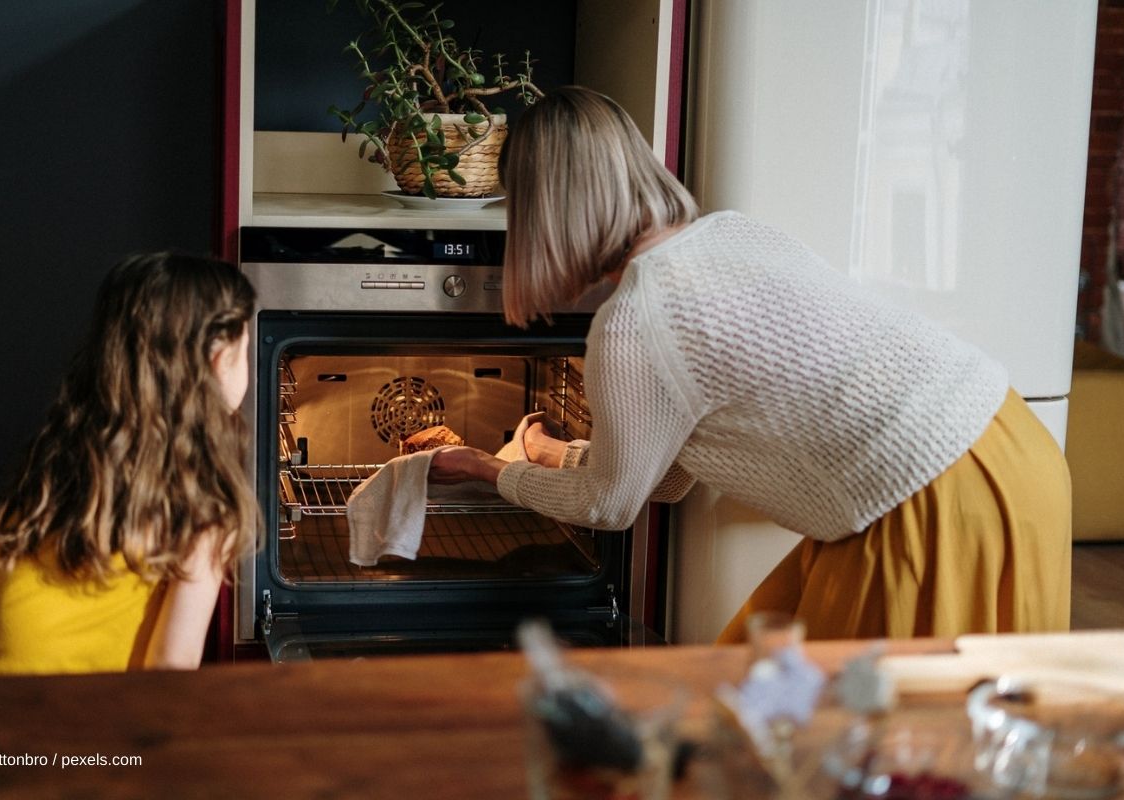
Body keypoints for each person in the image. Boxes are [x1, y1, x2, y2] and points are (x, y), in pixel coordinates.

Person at [428, 85, 1072, 641]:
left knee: (874, 749)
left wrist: (488, 470)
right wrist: (547, 454)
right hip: (1012, 451)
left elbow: (609, 507)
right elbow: (671, 476)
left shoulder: (633, 322)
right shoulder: (734, 234)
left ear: (544, 210)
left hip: (928, 508)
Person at [0, 252, 258, 681]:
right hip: (41, 721)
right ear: (218, 359)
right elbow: (170, 669)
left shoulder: (70, 449)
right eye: (245, 346)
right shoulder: (204, 502)